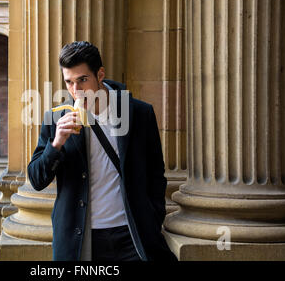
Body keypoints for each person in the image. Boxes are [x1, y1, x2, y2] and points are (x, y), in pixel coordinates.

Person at [27, 41, 177, 261]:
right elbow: (37, 179)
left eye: (82, 80)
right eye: (69, 82)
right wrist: (56, 143)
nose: (76, 91)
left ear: (100, 75)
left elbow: (156, 172)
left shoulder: (139, 113)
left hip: (132, 235)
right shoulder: (56, 119)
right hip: (81, 237)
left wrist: (153, 217)